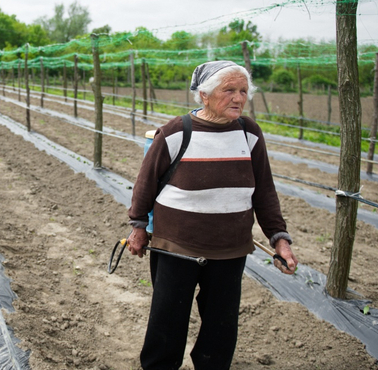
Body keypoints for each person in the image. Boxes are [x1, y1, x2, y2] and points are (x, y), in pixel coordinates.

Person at [127, 60, 298, 370]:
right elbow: (145, 183)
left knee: (221, 326)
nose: (238, 98)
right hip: (176, 247)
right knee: (167, 321)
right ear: (204, 95)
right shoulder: (176, 132)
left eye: (243, 91)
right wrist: (139, 227)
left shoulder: (249, 133)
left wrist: (279, 239)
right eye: (228, 90)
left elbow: (264, 192)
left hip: (230, 249)